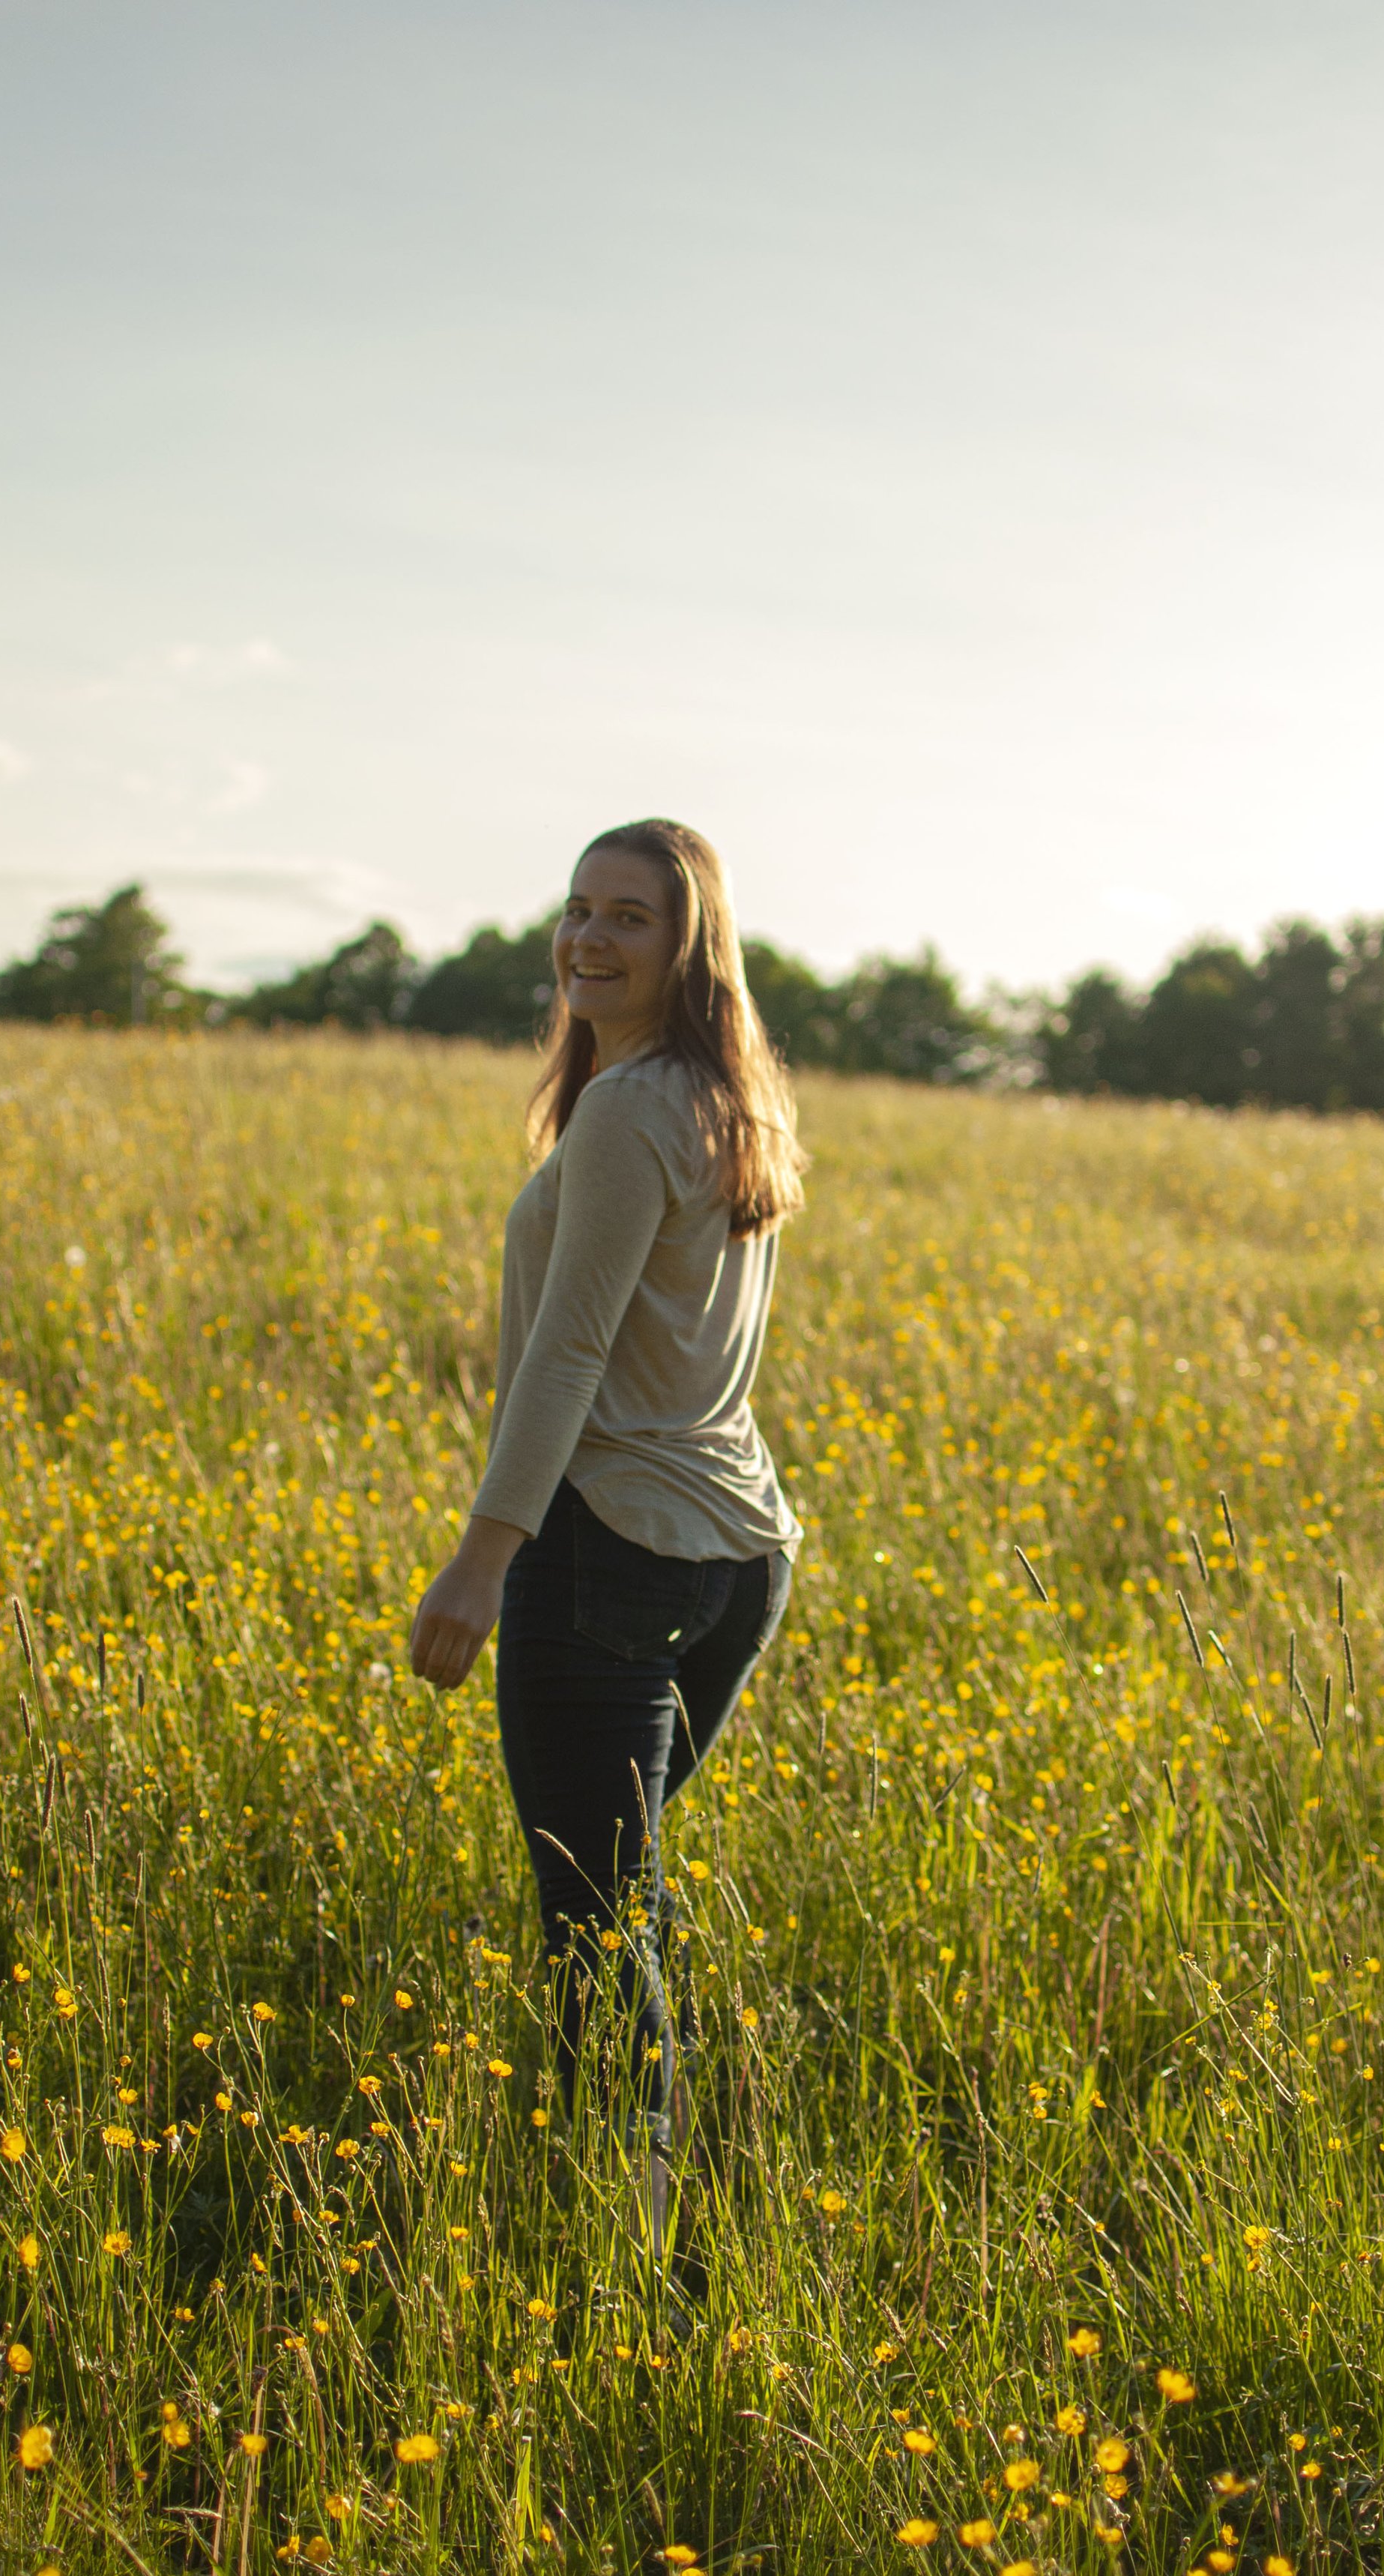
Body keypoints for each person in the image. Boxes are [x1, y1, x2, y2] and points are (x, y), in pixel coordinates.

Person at [408, 817, 805, 2264]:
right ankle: (664, 2186)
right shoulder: (729, 1100)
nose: (587, 936)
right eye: (579, 908)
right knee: (619, 1895)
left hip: (609, 1555)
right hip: (738, 1554)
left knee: (594, 1918)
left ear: (690, 945)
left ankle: (634, 2253)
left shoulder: (632, 1109)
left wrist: (483, 1555)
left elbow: (566, 1357)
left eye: (629, 916)